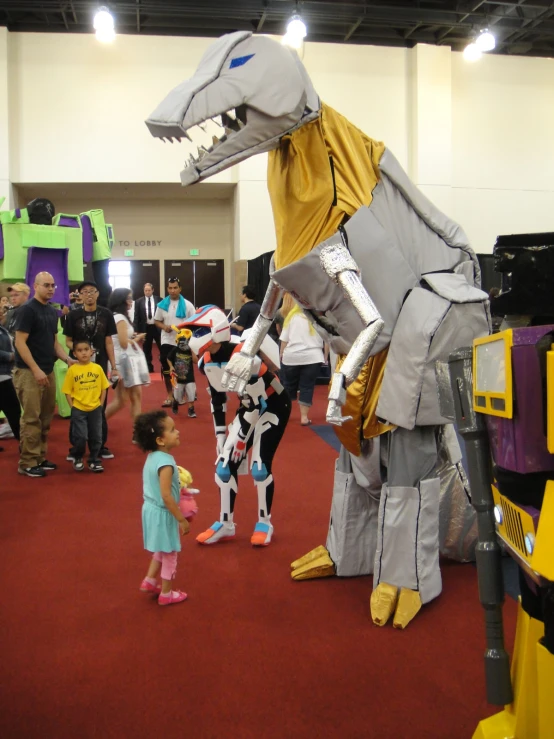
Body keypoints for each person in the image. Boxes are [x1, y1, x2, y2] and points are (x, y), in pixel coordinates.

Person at [181, 306, 291, 547]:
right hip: (249, 407)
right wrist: (221, 435)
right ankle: (225, 523)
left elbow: (262, 396)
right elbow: (217, 398)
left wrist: (241, 437)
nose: (195, 335)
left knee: (259, 466)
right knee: (224, 466)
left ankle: (265, 522)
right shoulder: (205, 362)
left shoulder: (245, 354)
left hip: (273, 405)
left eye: (201, 329)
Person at [13, 272, 75, 478]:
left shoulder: (51, 311)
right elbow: (19, 342)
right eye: (46, 285)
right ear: (36, 286)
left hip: (48, 370)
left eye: (53, 285)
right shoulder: (27, 310)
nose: (50, 288)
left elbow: (54, 342)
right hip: (29, 372)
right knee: (31, 418)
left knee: (46, 417)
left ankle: (39, 456)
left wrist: (67, 359)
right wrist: (35, 369)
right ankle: (27, 462)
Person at [135, 410, 190, 606]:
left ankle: (150, 580)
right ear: (160, 440)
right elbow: (166, 496)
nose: (177, 433)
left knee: (161, 547)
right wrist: (181, 519)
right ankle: (166, 593)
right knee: (170, 552)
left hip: (149, 509)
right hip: (163, 513)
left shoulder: (152, 457)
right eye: (172, 430)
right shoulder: (166, 463)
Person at [63, 280, 119, 461]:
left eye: (92, 291)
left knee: (99, 406)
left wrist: (114, 366)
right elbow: (68, 340)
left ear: (97, 294)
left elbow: (109, 341)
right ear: (79, 295)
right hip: (79, 366)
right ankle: (75, 447)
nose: (88, 294)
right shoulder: (73, 315)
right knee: (78, 406)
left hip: (99, 365)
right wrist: (80, 351)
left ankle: (100, 445)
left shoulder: (106, 314)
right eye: (84, 292)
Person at [61, 339, 110, 473]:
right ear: (74, 354)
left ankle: (94, 459)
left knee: (96, 435)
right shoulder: (72, 370)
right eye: (79, 350)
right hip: (79, 409)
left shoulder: (97, 368)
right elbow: (67, 391)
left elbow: (104, 387)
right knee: (80, 436)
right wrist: (73, 407)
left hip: (95, 408)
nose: (83, 353)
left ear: (91, 351)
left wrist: (100, 405)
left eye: (86, 350)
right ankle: (77, 456)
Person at [279, 293, 326, 426]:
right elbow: (326, 339)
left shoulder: (291, 317)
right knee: (307, 387)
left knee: (288, 387)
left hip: (291, 357)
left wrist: (281, 355)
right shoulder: (319, 318)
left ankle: (284, 415)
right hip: (313, 357)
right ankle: (304, 418)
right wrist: (325, 356)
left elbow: (284, 340)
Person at [105, 288, 147, 427]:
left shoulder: (117, 316)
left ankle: (97, 425)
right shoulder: (120, 318)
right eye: (128, 298)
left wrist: (132, 337)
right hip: (124, 361)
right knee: (133, 397)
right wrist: (138, 338)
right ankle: (138, 432)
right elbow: (123, 343)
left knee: (122, 399)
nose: (131, 301)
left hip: (121, 361)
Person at [154, 277, 195, 408]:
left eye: (175, 288)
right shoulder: (162, 305)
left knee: (182, 369)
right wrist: (164, 327)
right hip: (167, 340)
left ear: (180, 288)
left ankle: (181, 394)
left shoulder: (188, 305)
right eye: (170, 288)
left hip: (183, 341)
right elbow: (156, 321)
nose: (172, 290)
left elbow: (194, 323)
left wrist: (186, 332)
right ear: (167, 289)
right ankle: (170, 395)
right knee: (166, 367)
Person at [167, 326, 197, 417]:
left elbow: (195, 361)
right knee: (178, 397)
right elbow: (168, 358)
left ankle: (191, 410)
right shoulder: (175, 350)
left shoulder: (190, 351)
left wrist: (192, 350)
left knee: (191, 395)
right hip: (178, 378)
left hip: (189, 377)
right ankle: (175, 403)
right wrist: (171, 367)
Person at [0, 320, 20, 450]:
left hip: (5, 373)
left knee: (13, 411)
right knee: (14, 411)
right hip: (2, 375)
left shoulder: (2, 328)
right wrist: (10, 356)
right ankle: (27, 447)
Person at [134, 283, 162, 373]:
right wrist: (136, 330)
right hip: (145, 328)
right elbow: (136, 316)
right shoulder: (139, 302)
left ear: (152, 290)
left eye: (149, 290)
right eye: (145, 290)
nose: (147, 292)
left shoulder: (159, 300)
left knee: (162, 346)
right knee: (146, 348)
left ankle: (164, 365)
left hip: (157, 327)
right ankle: (149, 366)